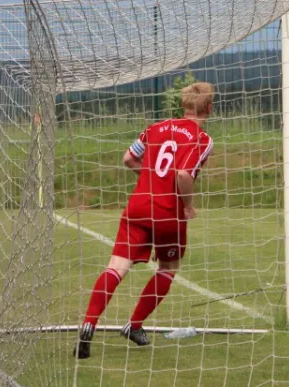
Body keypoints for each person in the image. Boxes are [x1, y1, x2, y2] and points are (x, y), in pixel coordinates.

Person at [74, 82, 215, 359]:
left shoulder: (155, 128)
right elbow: (184, 175)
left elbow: (128, 158)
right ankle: (134, 325)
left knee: (116, 267)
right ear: (208, 108)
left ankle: (89, 322)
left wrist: (149, 175)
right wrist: (188, 206)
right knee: (168, 267)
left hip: (138, 206)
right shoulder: (203, 139)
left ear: (182, 104)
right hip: (167, 212)